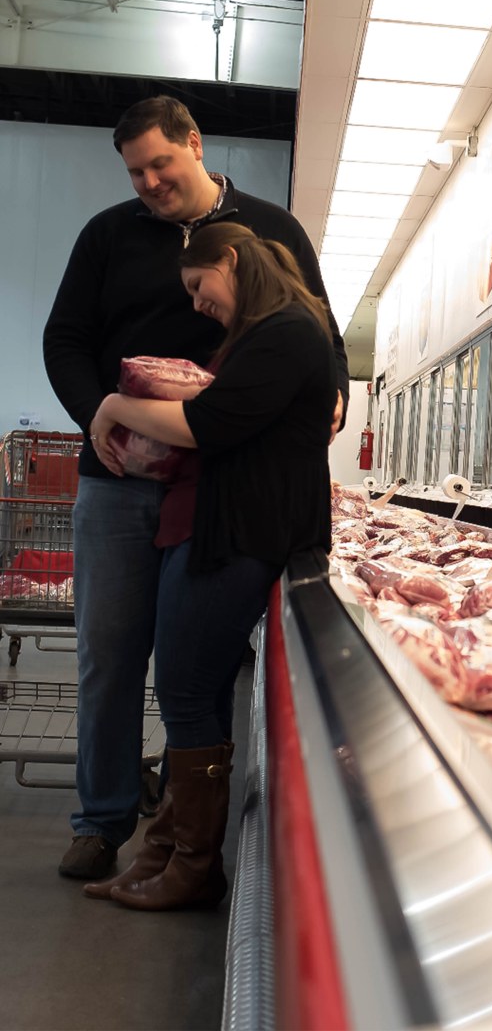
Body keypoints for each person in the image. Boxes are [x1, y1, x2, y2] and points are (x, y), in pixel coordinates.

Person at [43, 96, 349, 881]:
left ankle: (185, 837)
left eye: (160, 164)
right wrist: (98, 422)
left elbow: (323, 327)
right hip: (118, 480)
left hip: (217, 485)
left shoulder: (271, 230)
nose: (148, 182)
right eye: (136, 171)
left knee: (192, 664)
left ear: (195, 145)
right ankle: (103, 821)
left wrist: (334, 393)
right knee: (110, 655)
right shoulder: (108, 236)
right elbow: (66, 339)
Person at [80, 221, 336, 910]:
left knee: (187, 691)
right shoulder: (269, 333)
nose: (196, 304)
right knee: (193, 691)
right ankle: (164, 852)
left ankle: (193, 865)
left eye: (199, 286)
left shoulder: (286, 331)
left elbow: (210, 426)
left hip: (237, 532)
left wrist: (112, 406)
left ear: (229, 260)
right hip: (226, 526)